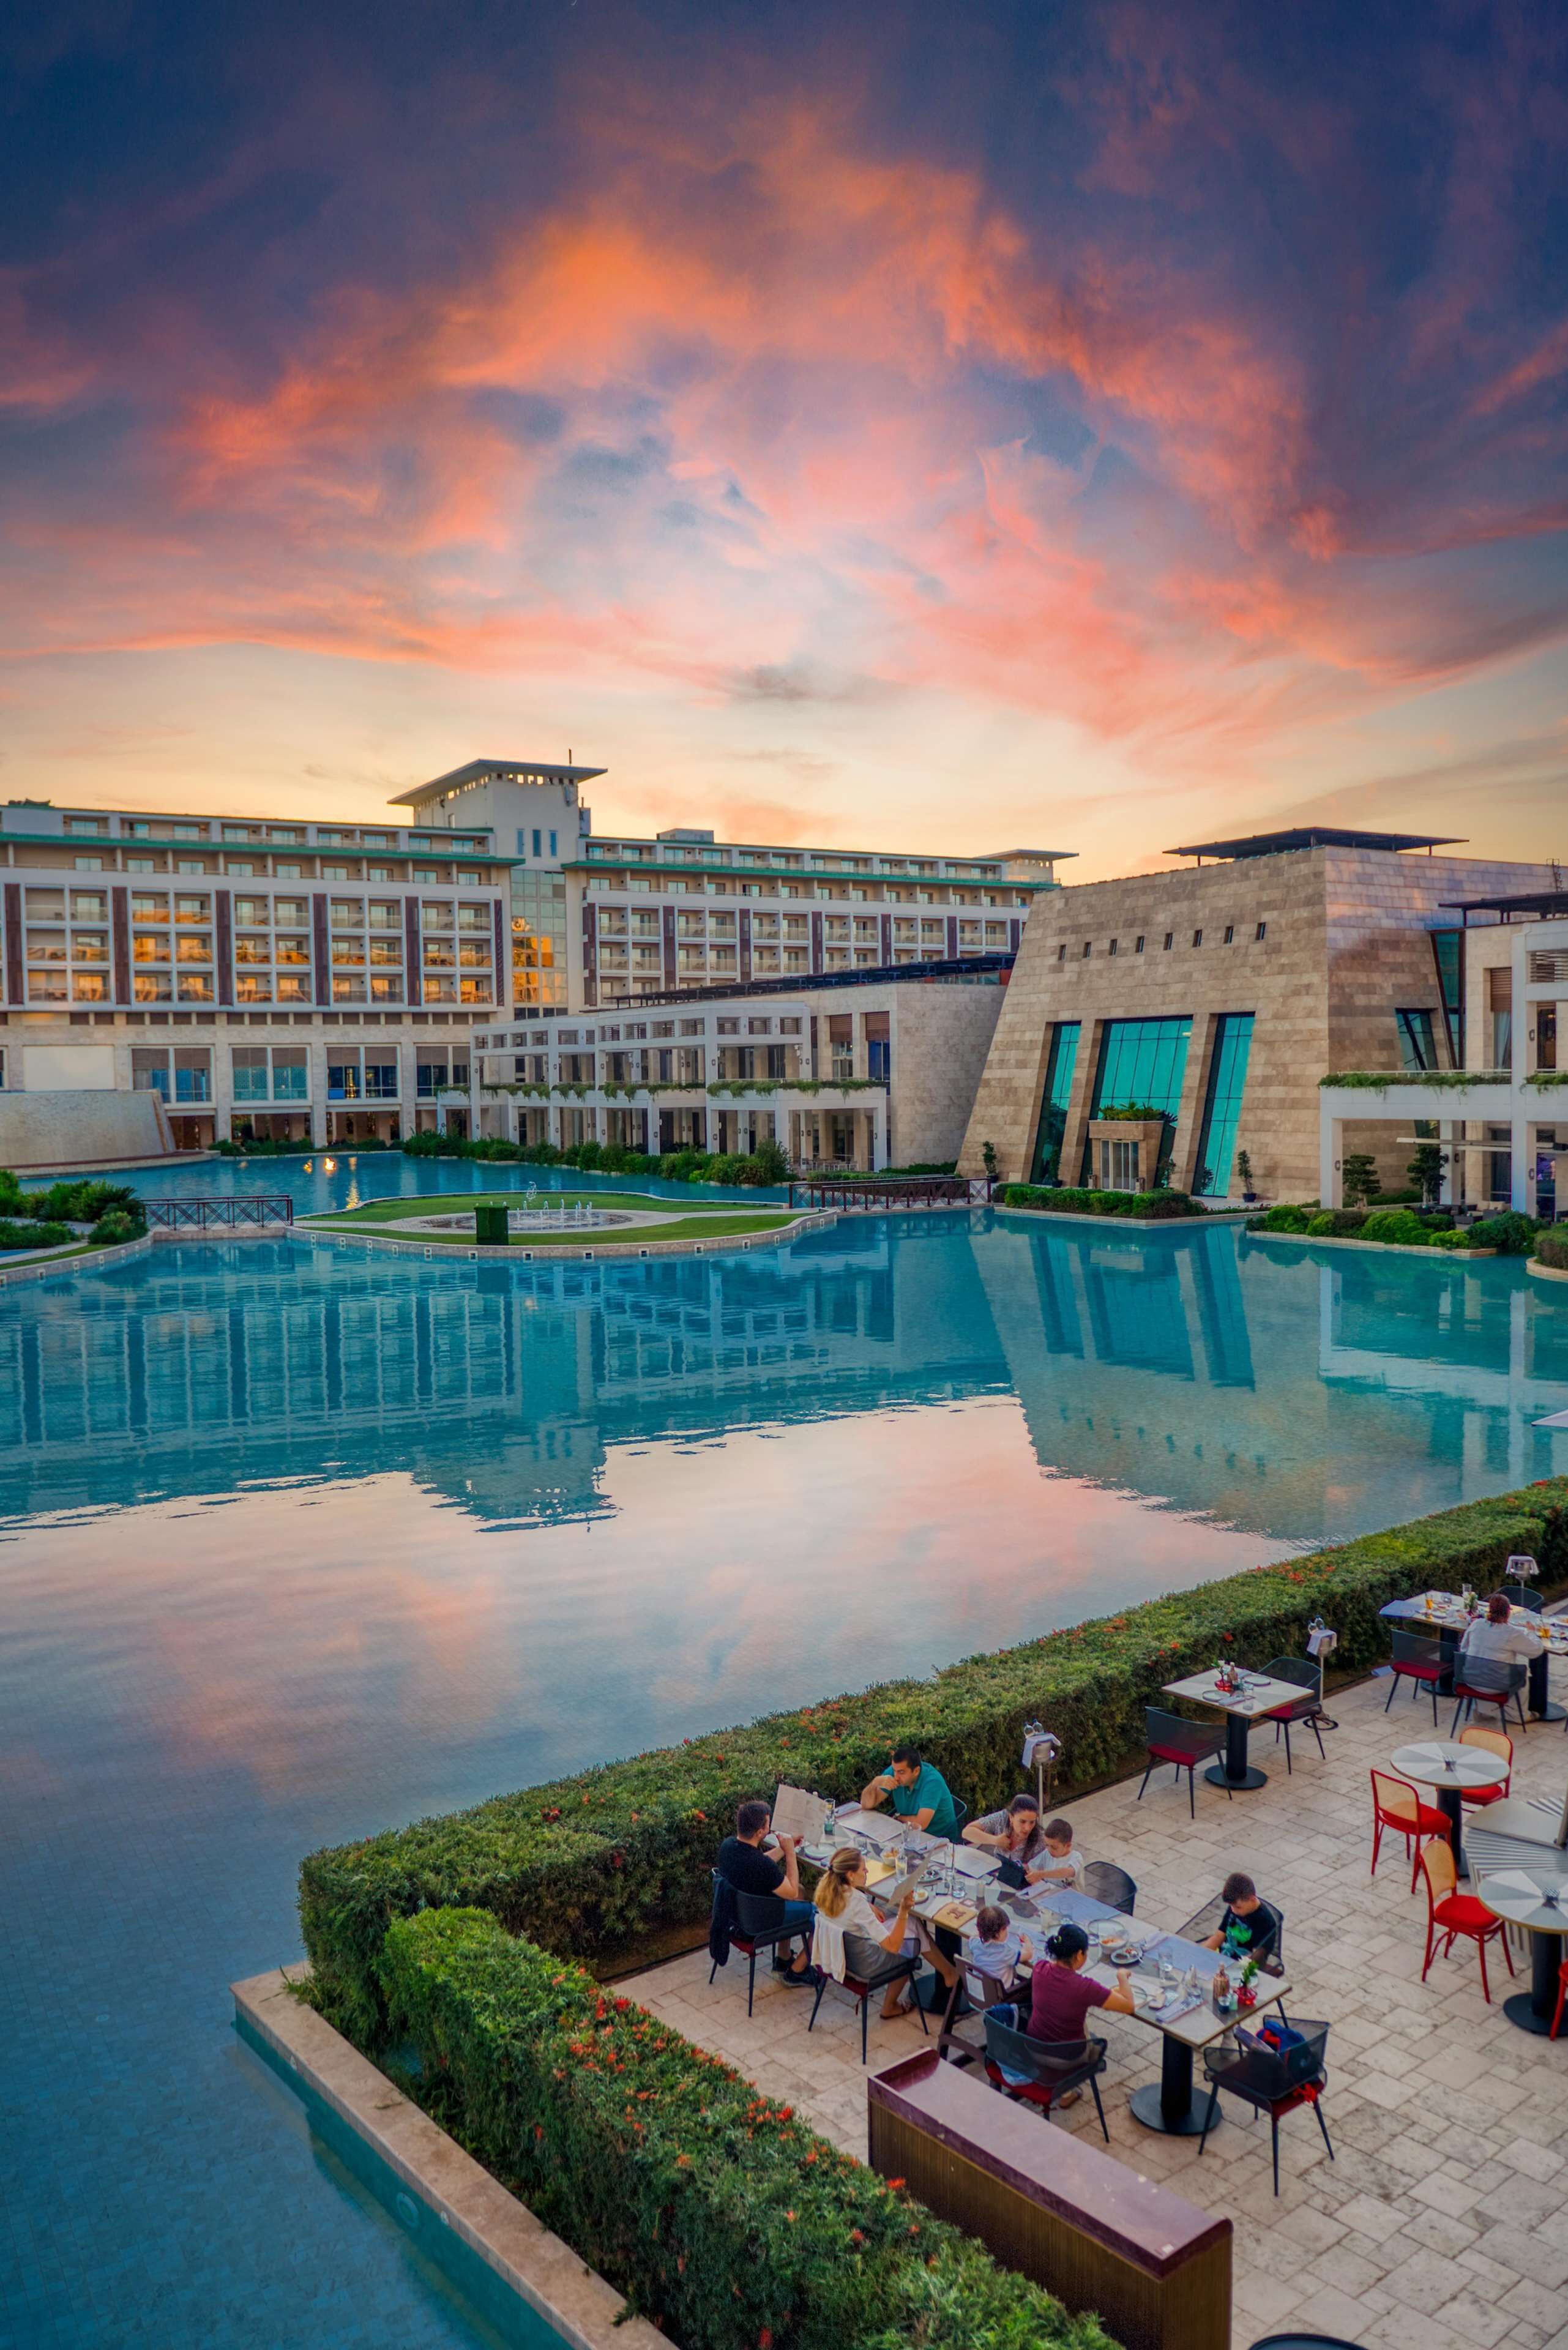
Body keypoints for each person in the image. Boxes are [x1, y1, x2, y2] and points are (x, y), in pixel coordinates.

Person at [812, 1846, 926, 2020]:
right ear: (850, 1875)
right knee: (909, 1942)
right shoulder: (857, 1903)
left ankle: (948, 1974)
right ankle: (889, 2006)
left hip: (841, 1957)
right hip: (863, 1965)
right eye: (863, 1869)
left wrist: (868, 1905)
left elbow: (850, 1909)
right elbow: (893, 1946)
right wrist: (903, 1911)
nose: (866, 1872)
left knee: (910, 1925)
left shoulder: (826, 1891)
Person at [715, 1799, 816, 1985]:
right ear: (761, 1832)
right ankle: (796, 1972)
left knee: (802, 1891)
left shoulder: (729, 1846)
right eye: (768, 1824)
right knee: (821, 1917)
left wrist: (784, 1849)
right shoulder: (762, 1867)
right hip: (758, 1922)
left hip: (736, 1915)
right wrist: (791, 1854)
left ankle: (783, 1959)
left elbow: (758, 1862)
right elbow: (791, 1893)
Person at [1028, 1922, 1136, 2043]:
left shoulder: (1040, 1968)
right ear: (1079, 1955)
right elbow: (1129, 2006)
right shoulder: (1084, 1987)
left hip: (1034, 2047)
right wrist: (1122, 1976)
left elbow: (1062, 1993)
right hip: (1068, 2057)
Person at [860, 1743, 960, 1840]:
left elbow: (920, 1824)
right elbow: (866, 1805)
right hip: (909, 1835)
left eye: (901, 1773)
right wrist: (875, 1783)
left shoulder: (933, 1782)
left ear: (916, 1771)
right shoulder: (895, 1772)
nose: (896, 1777)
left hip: (940, 1840)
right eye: (894, 1770)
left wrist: (897, 1818)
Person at [1202, 1873, 1280, 1964]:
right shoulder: (1234, 1908)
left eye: (1238, 1907)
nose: (1234, 1911)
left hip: (1245, 1964)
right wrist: (1200, 1953)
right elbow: (1219, 1936)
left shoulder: (1265, 1922)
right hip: (1224, 1956)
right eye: (1231, 1906)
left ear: (1252, 1899)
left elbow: (1258, 1956)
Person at [1460, 1592, 1545, 1668]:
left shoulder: (1476, 1624)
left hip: (1472, 1679)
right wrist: (1531, 1632)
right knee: (1525, 1673)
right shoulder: (1511, 1633)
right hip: (1499, 1683)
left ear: (1489, 1610)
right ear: (1508, 1613)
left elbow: (1464, 1648)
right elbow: (1536, 1650)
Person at [964, 1793, 1047, 1871]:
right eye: (1022, 1822)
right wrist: (995, 1840)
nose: (1027, 1828)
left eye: (1032, 1822)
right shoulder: (1002, 1818)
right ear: (1011, 1817)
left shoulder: (1040, 1840)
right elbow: (967, 1832)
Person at [965, 1903, 1034, 1993]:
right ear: (997, 1934)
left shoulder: (976, 1944)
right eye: (1005, 1929)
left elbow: (973, 1937)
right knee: (1030, 1984)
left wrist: (984, 1931)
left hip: (978, 1994)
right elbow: (1029, 1954)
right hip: (999, 1999)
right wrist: (1028, 1941)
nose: (1007, 1931)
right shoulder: (1005, 1952)